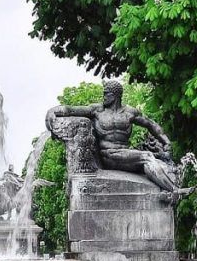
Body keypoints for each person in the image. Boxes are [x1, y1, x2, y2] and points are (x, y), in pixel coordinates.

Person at [46, 79, 188, 197]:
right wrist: (54, 111)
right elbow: (72, 109)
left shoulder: (129, 112)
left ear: (115, 95)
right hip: (108, 156)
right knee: (147, 156)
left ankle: (166, 192)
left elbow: (151, 125)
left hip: (125, 155)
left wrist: (167, 143)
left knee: (158, 162)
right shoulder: (97, 110)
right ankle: (174, 190)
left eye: (106, 94)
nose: (104, 97)